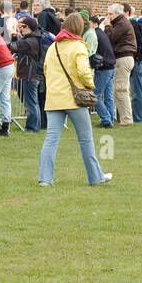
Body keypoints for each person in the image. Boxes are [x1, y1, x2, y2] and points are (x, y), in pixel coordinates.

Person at [38, 13, 110, 187]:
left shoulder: (53, 47)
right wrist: (90, 86)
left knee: (51, 139)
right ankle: (95, 177)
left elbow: (46, 71)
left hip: (54, 98)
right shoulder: (79, 46)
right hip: (74, 100)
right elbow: (84, 72)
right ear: (79, 28)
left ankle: (45, 179)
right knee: (85, 140)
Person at [104, 5, 137, 126]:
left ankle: (127, 119)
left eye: (110, 14)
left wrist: (107, 26)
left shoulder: (122, 24)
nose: (108, 17)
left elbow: (110, 38)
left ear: (118, 14)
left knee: (121, 89)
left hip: (123, 58)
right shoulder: (121, 23)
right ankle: (124, 118)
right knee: (119, 89)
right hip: (123, 57)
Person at [11, 15, 44, 133]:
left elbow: (14, 47)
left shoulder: (31, 40)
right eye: (20, 26)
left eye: (24, 26)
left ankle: (32, 128)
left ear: (31, 28)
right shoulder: (32, 38)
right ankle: (36, 126)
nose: (21, 29)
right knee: (32, 102)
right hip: (29, 73)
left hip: (30, 74)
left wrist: (12, 37)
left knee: (31, 102)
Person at [88, 15, 117, 127]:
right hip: (110, 66)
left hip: (104, 68)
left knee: (95, 95)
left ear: (94, 24)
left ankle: (106, 119)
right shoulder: (101, 33)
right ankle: (109, 119)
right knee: (108, 95)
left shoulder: (94, 34)